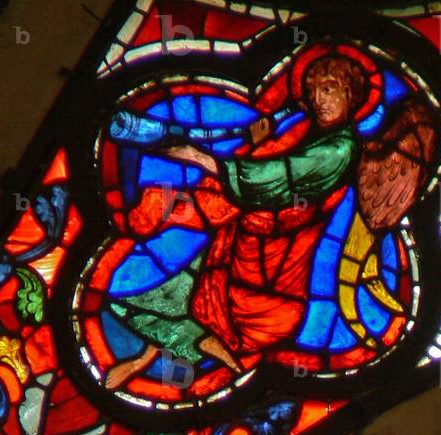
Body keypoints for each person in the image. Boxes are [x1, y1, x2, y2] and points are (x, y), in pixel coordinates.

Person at [103, 53, 369, 390]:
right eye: (314, 92)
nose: (319, 101)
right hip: (244, 241)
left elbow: (278, 178)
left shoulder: (339, 149)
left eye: (329, 90)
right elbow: (271, 177)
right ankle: (147, 358)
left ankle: (211, 362)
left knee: (208, 308)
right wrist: (255, 145)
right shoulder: (312, 134)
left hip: (272, 270)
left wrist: (202, 158)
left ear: (351, 94)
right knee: (179, 293)